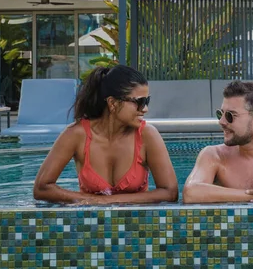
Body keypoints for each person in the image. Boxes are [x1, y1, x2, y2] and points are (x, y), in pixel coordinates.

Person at [34, 65, 178, 204]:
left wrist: (105, 200)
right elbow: (41, 188)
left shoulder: (147, 135)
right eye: (139, 102)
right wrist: (87, 200)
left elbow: (170, 192)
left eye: (147, 101)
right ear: (112, 103)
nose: (145, 109)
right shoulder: (76, 135)